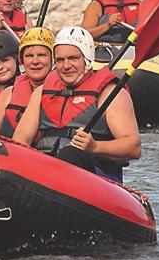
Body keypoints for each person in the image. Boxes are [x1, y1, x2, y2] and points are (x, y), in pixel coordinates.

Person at [13, 27, 141, 182]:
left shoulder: (111, 94)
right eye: (60, 60)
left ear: (87, 58)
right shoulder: (41, 92)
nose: (66, 66)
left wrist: (95, 147)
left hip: (95, 175)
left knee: (70, 154)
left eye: (73, 58)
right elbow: (21, 140)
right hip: (46, 170)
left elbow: (134, 147)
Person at [0, 27, 54, 139]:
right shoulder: (8, 94)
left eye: (42, 55)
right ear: (21, 60)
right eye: (29, 56)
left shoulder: (62, 94)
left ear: (53, 59)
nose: (35, 61)